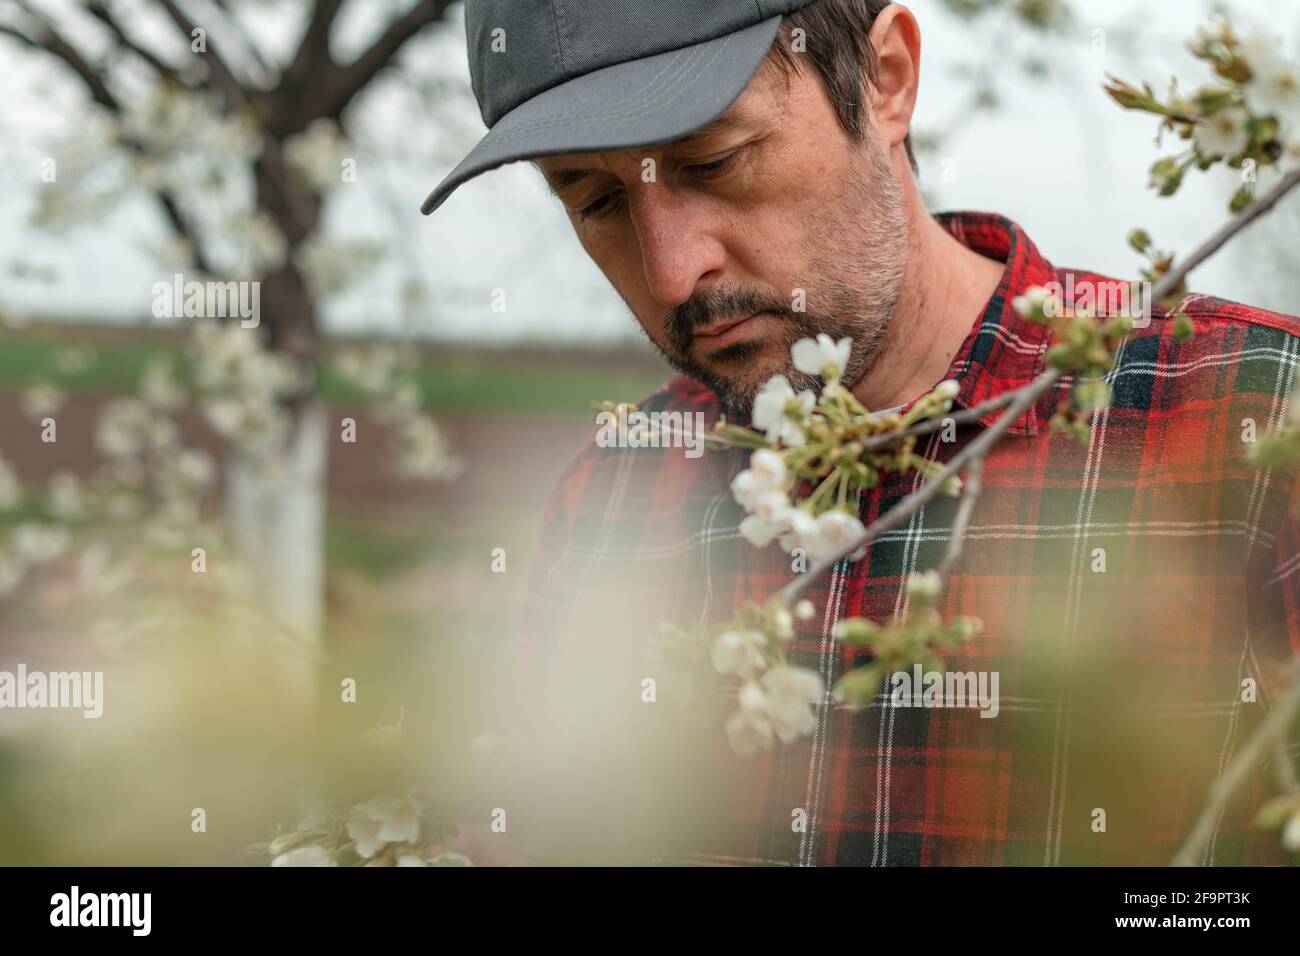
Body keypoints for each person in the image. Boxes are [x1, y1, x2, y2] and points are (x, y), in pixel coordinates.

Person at [423, 0, 1300, 865]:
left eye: (713, 161)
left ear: (886, 81)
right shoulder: (609, 497)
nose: (673, 272)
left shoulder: (1254, 420)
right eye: (600, 201)